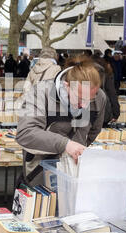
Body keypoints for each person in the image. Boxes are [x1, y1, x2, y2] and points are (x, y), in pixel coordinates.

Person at [16, 55, 107, 186]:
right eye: (79, 98)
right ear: (66, 86)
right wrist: (66, 145)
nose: (84, 105)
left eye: (90, 99)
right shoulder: (41, 93)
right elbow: (26, 133)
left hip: (74, 171)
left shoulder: (100, 98)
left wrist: (77, 148)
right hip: (40, 172)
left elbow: (93, 131)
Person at [91, 56, 120, 126]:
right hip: (103, 111)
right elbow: (112, 94)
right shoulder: (105, 75)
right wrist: (116, 113)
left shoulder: (83, 74)